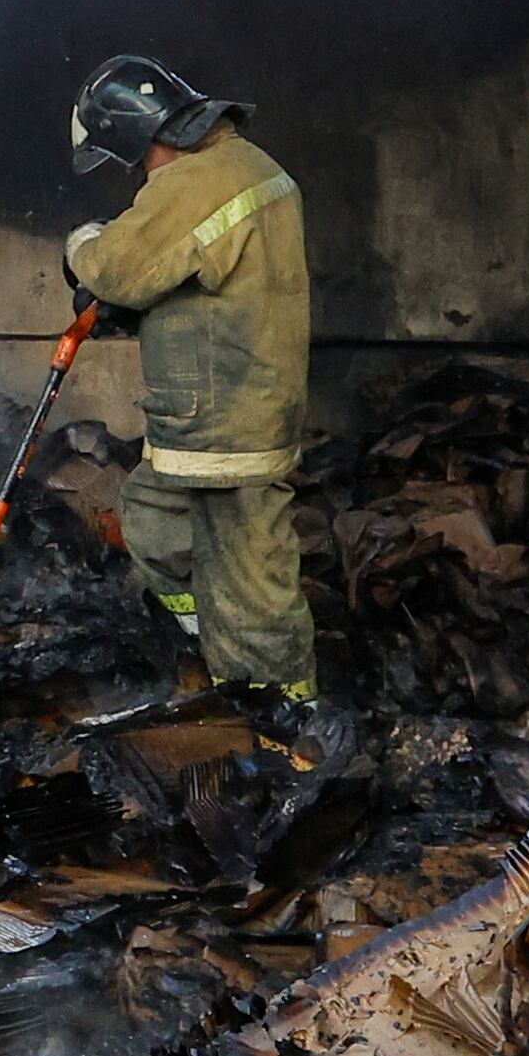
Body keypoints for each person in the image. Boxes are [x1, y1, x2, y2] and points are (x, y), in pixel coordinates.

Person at [65, 53, 316, 708]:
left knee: (251, 576)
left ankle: (284, 715)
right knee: (152, 522)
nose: (137, 175)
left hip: (228, 423)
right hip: (218, 417)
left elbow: (116, 266)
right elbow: (204, 272)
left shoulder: (200, 179)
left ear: (142, 135)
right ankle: (205, 642)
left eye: (129, 159)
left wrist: (80, 247)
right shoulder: (246, 168)